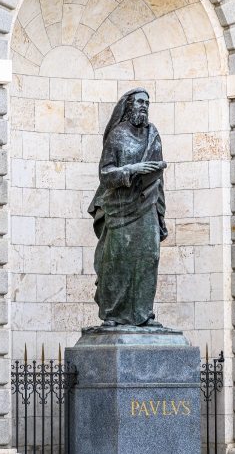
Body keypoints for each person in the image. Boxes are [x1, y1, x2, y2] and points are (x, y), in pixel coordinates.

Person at [88, 87, 168, 327]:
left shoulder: (153, 134)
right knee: (118, 261)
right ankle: (112, 314)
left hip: (148, 204)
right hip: (120, 208)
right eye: (139, 102)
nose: (144, 106)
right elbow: (105, 174)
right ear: (128, 106)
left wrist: (161, 214)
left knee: (149, 257)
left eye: (147, 103)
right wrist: (131, 170)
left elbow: (159, 176)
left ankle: (144, 315)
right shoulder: (117, 135)